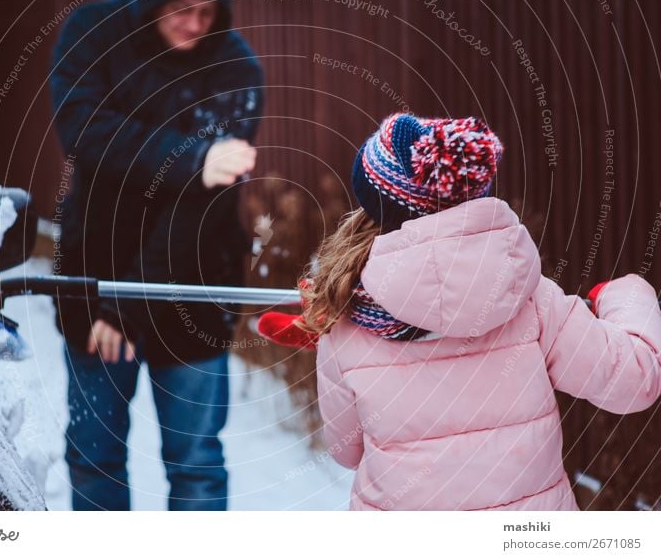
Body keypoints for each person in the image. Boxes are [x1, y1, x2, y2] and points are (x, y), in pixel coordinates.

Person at [263, 112, 661, 510]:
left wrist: (346, 356)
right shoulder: (528, 298)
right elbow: (634, 379)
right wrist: (627, 295)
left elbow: (346, 452)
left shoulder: (347, 316)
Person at [49, 0, 263, 510]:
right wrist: (190, 160)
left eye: (208, 12)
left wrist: (127, 301)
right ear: (151, 0)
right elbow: (83, 130)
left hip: (193, 287)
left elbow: (200, 207)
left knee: (197, 469)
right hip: (92, 283)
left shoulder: (236, 71)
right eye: (181, 7)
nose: (195, 23)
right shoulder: (93, 34)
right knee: (94, 457)